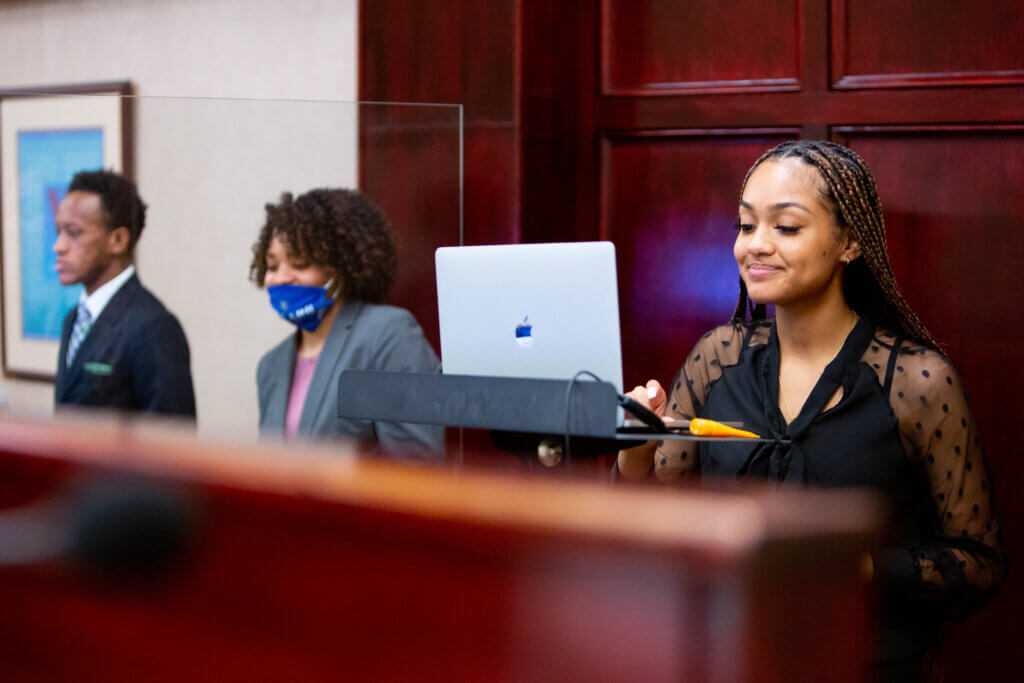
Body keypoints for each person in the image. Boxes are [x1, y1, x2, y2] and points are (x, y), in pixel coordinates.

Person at [617, 141, 1006, 681]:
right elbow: (661, 519)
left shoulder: (916, 381)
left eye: (787, 227)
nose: (755, 245)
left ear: (849, 242)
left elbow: (980, 563)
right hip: (727, 658)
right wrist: (635, 445)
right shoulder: (717, 357)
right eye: (746, 225)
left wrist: (860, 566)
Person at [250, 188, 443, 458]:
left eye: (300, 263)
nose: (281, 277)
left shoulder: (388, 335)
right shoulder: (271, 366)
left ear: (340, 269)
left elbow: (416, 465)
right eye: (272, 267)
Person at [53, 170, 195, 418]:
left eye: (73, 232)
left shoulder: (153, 326)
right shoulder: (73, 320)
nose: (59, 246)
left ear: (118, 240)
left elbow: (172, 444)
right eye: (59, 231)